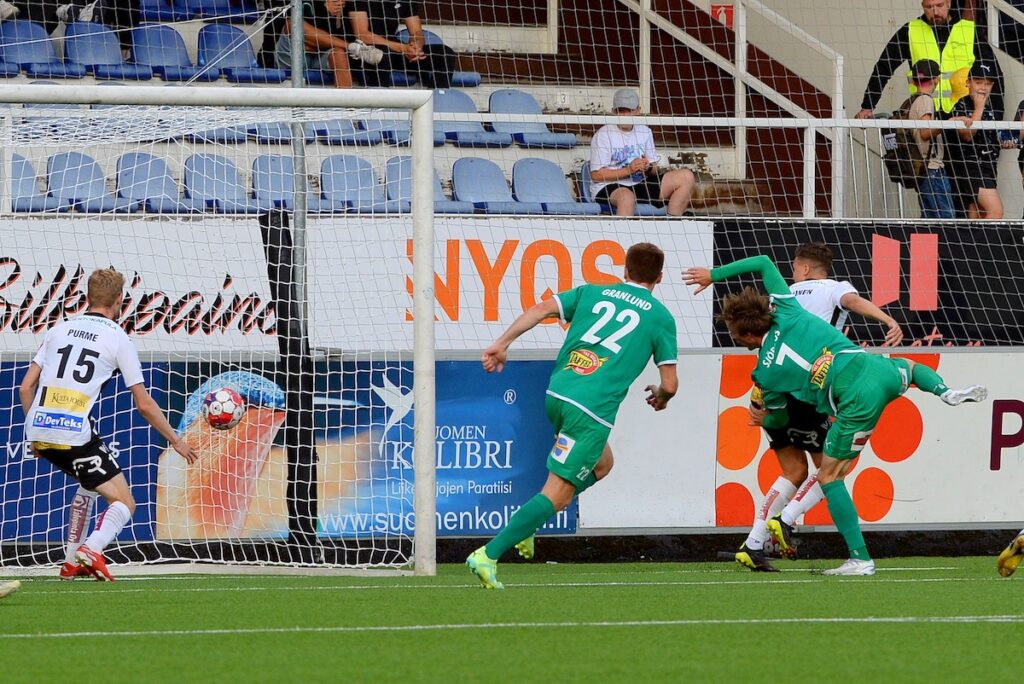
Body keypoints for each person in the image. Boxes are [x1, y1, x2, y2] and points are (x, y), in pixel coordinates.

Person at [684, 255, 986, 576]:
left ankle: (854, 556)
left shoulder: (765, 373)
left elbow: (778, 422)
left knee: (829, 476)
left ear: (747, 335)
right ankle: (944, 391)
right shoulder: (787, 309)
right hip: (873, 367)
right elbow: (763, 262)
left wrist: (763, 419)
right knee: (910, 368)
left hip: (853, 399)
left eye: (734, 333)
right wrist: (713, 275)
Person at [467, 243, 679, 589]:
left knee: (603, 464)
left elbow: (540, 309)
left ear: (625, 271)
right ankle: (488, 555)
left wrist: (502, 343)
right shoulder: (660, 317)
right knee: (559, 496)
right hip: (590, 411)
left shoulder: (591, 292)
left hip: (558, 394)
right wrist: (661, 396)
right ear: (659, 278)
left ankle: (528, 521)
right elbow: (669, 384)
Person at [732, 243, 905, 573]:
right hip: (810, 391)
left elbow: (762, 338)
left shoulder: (782, 298)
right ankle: (786, 521)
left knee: (793, 472)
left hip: (769, 389)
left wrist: (763, 406)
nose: (793, 273)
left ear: (805, 268)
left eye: (794, 267)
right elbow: (852, 302)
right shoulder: (833, 289)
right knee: (831, 471)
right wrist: (887, 319)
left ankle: (753, 543)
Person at [19, 268, 196, 581]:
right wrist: (176, 440)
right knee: (125, 502)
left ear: (87, 297)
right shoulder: (117, 338)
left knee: (89, 484)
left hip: (39, 426)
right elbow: (144, 404)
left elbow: (25, 388)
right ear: (119, 300)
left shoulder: (59, 329)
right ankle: (92, 549)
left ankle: (71, 562)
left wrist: (34, 434)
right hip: (74, 433)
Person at [856, 0, 1003, 119]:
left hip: (963, 113)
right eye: (929, 7)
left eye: (939, 5)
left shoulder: (969, 31)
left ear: (949, 3)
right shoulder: (911, 30)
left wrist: (997, 118)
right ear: (922, 6)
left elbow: (995, 74)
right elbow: (883, 67)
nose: (935, 12)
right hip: (924, 113)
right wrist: (868, 106)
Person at [590, 89, 697, 217]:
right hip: (609, 186)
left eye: (630, 111)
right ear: (614, 111)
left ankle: (673, 222)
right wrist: (630, 170)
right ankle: (622, 230)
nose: (625, 115)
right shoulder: (603, 134)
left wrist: (647, 167)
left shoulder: (645, 131)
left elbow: (654, 170)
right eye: (621, 111)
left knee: (686, 176)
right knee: (626, 197)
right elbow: (596, 175)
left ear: (638, 110)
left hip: (639, 183)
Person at [274, 0, 383, 89]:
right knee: (293, 25)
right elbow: (295, 29)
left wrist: (334, 16)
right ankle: (354, 48)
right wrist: (324, 11)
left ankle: (347, 105)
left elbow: (330, 41)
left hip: (319, 55)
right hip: (291, 54)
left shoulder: (348, 7)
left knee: (338, 54)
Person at [346, 0, 454, 88]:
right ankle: (378, 104)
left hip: (393, 48)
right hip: (362, 50)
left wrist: (416, 46)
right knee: (382, 55)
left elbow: (416, 31)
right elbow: (362, 34)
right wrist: (403, 48)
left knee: (445, 54)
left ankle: (438, 101)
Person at [947, 61, 1004, 219]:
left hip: (988, 166)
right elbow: (967, 135)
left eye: (988, 84)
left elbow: (991, 138)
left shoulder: (989, 108)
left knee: (977, 214)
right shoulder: (962, 105)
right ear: (968, 83)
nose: (983, 88)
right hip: (971, 167)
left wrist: (1004, 142)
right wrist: (978, 108)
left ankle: (973, 236)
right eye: (978, 82)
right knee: (996, 211)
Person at [907, 59, 955, 219]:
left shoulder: (912, 100)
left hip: (921, 168)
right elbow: (925, 132)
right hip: (931, 168)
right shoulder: (925, 100)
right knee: (945, 218)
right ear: (936, 79)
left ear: (914, 80)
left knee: (929, 219)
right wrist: (949, 123)